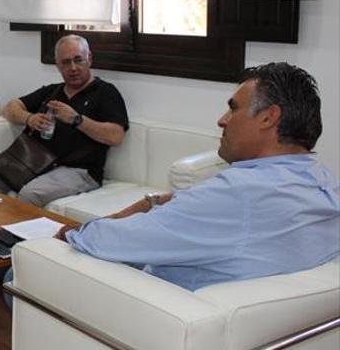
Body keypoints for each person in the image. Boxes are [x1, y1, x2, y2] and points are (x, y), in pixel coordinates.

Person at [57, 62, 339, 290]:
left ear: (268, 118)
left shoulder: (236, 195)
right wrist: (152, 202)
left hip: (158, 313)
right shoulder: (324, 184)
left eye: (233, 108)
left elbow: (101, 240)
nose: (222, 120)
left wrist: (71, 232)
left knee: (24, 271)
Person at [0, 35, 128, 207]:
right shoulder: (53, 91)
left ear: (89, 59)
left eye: (78, 60)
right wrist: (29, 118)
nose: (73, 68)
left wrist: (77, 119)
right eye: (66, 62)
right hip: (34, 161)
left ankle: (16, 233)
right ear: (58, 65)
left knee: (30, 194)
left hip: (77, 170)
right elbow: (10, 108)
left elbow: (116, 136)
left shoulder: (105, 92)